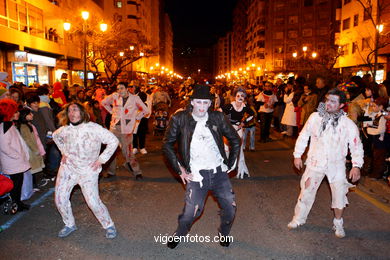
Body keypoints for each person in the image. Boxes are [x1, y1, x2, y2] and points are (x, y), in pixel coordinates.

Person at [163, 85, 240, 249]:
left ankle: (224, 233)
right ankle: (179, 233)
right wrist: (179, 169)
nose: (202, 107)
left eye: (206, 103)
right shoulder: (180, 119)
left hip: (219, 172)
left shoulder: (217, 117)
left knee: (230, 209)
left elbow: (234, 139)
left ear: (210, 103)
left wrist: (231, 164)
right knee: (191, 213)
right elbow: (167, 144)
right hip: (197, 174)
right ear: (192, 102)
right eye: (199, 102)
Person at [287, 89, 364, 238]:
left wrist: (356, 165)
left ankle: (338, 222)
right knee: (306, 191)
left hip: (336, 165)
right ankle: (298, 218)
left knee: (339, 195)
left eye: (333, 101)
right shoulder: (315, 117)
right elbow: (304, 136)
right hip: (315, 161)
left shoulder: (347, 124)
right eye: (327, 100)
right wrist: (297, 155)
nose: (328, 103)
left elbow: (356, 145)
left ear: (341, 105)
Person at [53, 102, 119, 239]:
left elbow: (113, 141)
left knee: (93, 202)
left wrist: (101, 159)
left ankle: (108, 224)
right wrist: (64, 152)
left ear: (82, 112)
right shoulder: (65, 129)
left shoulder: (93, 128)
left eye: (75, 110)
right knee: (60, 199)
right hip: (68, 169)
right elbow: (55, 136)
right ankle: (69, 224)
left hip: (88, 171)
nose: (72, 113)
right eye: (69, 111)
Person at [101, 82, 149, 180]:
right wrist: (111, 111)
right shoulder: (114, 97)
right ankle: (111, 171)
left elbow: (145, 110)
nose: (119, 91)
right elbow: (103, 103)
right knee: (111, 150)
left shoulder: (135, 99)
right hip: (114, 128)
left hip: (126, 129)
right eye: (118, 89)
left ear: (127, 89)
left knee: (127, 152)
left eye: (122, 88)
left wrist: (136, 117)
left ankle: (137, 172)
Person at [0, 99, 31, 211]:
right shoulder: (5, 127)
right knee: (15, 185)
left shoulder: (8, 125)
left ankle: (18, 203)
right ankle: (16, 204)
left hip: (15, 162)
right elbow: (4, 146)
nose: (18, 113)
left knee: (18, 184)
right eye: (15, 111)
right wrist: (18, 155)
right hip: (13, 162)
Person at [223, 87, 254, 178]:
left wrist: (244, 122)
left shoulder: (245, 107)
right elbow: (219, 113)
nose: (240, 97)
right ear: (234, 96)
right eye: (238, 95)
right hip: (228, 129)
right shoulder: (229, 106)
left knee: (239, 149)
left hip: (238, 129)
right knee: (226, 149)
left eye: (242, 96)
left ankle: (241, 170)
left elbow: (252, 115)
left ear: (245, 98)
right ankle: (225, 170)